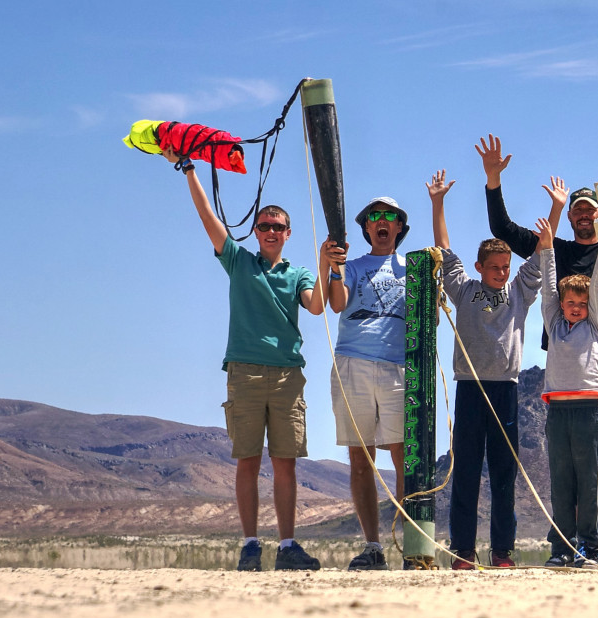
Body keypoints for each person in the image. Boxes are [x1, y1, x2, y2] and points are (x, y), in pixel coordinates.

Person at [477, 133, 598, 569]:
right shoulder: (557, 250)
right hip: (564, 368)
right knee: (571, 463)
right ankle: (579, 543)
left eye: (590, 209)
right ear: (570, 217)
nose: (584, 215)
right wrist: (494, 181)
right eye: (577, 210)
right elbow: (503, 231)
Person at [165, 151, 325, 571]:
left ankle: (288, 546)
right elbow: (207, 219)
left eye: (277, 227)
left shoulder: (299, 274)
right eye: (264, 226)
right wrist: (189, 171)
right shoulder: (238, 261)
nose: (270, 232)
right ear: (256, 231)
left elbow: (316, 308)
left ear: (289, 233)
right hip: (244, 372)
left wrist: (328, 266)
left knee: (286, 463)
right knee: (248, 460)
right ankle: (251, 545)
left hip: (288, 375)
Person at [428, 169, 552, 569]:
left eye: (505, 266)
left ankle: (503, 552)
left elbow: (541, 253)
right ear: (480, 266)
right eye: (494, 266)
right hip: (469, 389)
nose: (501, 272)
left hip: (506, 391)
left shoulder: (518, 292)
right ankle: (463, 551)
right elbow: (443, 250)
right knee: (464, 471)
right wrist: (437, 202)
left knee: (503, 475)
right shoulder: (464, 289)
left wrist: (556, 207)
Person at [321, 196, 413, 571]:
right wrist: (335, 268)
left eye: (390, 216)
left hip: (396, 368)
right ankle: (373, 547)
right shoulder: (353, 267)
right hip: (353, 363)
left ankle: (414, 545)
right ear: (366, 228)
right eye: (375, 216)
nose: (382, 221)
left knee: (404, 455)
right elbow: (337, 303)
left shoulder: (414, 268)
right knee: (361, 458)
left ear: (399, 229)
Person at [538, 212, 598, 568]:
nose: (575, 308)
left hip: (589, 410)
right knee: (561, 480)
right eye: (570, 302)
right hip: (557, 410)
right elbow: (547, 287)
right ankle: (562, 546)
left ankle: (592, 546)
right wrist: (546, 250)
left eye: (581, 305)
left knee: (589, 480)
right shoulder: (554, 323)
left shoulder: (595, 327)